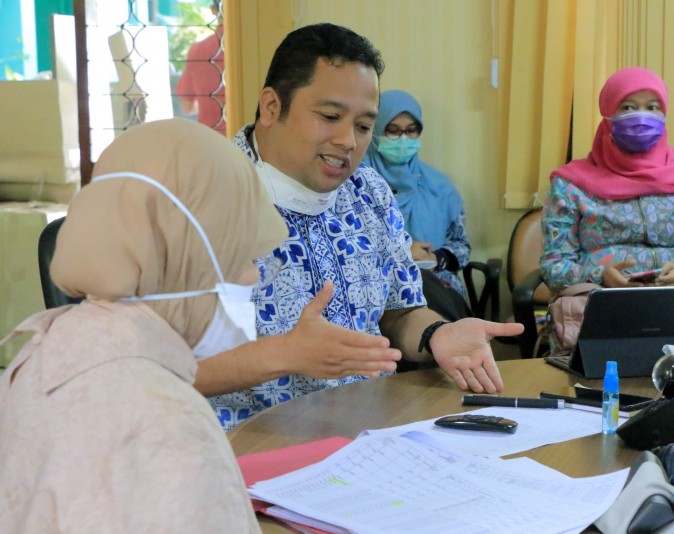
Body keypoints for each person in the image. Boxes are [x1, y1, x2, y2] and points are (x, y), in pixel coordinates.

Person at [199, 22, 523, 430]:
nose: (348, 141)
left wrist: (438, 334)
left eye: (364, 126)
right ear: (271, 106)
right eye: (330, 116)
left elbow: (399, 313)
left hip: (367, 433)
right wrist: (284, 355)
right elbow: (156, 367)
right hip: (248, 441)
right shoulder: (202, 198)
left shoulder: (368, 191)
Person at [0, 119, 281, 532]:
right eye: (239, 255)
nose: (253, 276)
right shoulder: (168, 421)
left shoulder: (41, 348)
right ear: (185, 256)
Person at [540, 67, 674, 291]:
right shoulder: (571, 185)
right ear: (608, 114)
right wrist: (599, 276)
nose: (641, 117)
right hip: (600, 299)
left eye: (652, 107)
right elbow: (555, 264)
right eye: (628, 107)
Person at [363, 89, 472, 321]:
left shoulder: (440, 187)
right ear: (375, 130)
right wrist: (401, 254)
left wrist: (438, 258)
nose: (403, 139)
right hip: (376, 289)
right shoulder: (355, 185)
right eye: (393, 131)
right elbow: (343, 248)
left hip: (437, 286)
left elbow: (461, 246)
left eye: (411, 130)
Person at [175, 0, 226, 135]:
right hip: (252, 139)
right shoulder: (255, 46)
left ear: (213, 10)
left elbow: (188, 107)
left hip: (212, 139)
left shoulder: (198, 51)